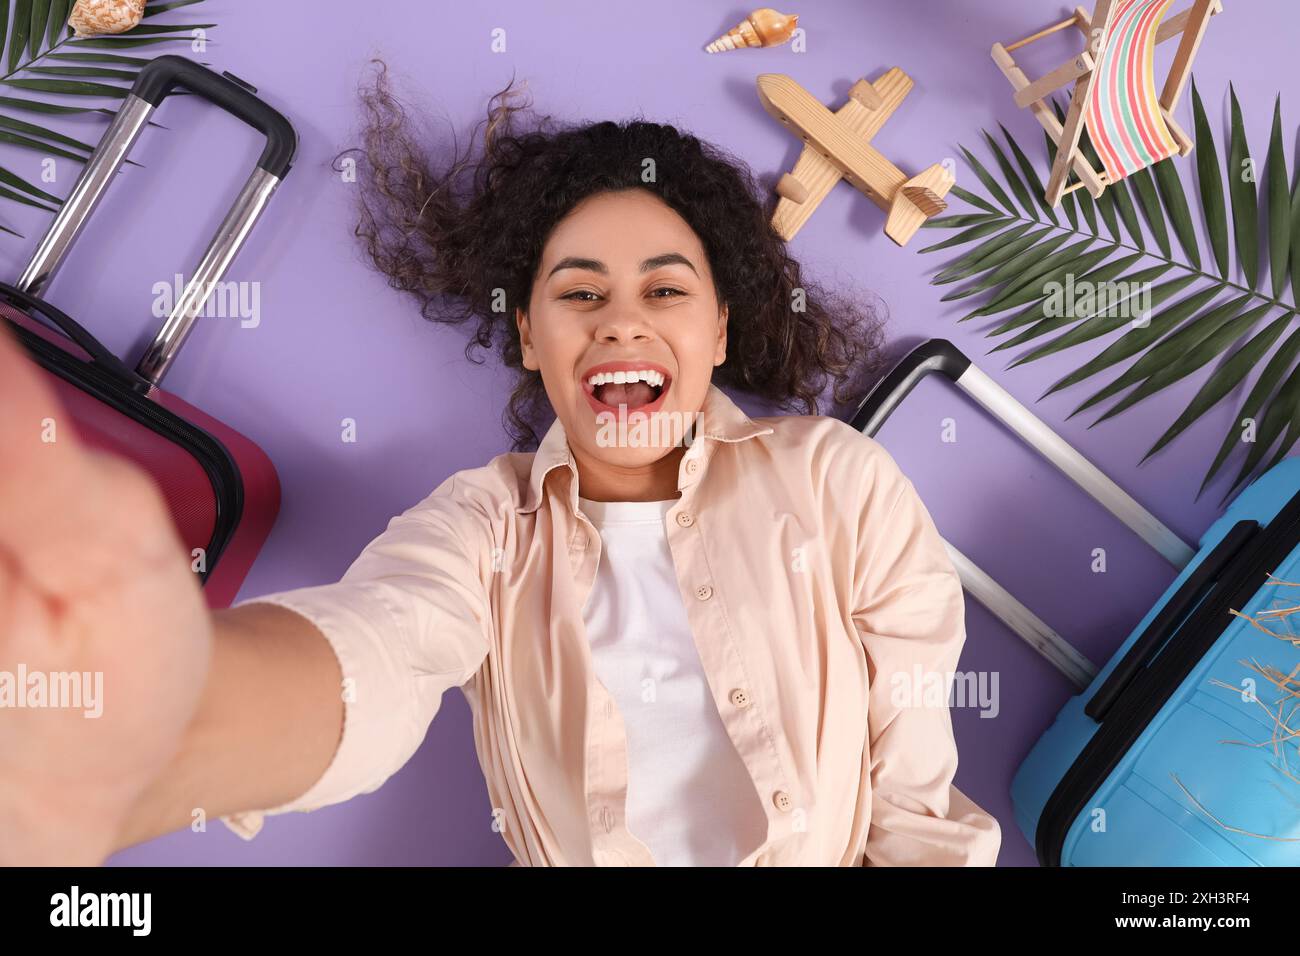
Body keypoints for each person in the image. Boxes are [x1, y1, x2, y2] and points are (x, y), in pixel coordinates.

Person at [0, 63, 1001, 866]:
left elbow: (916, 802)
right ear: (527, 332)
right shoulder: (486, 529)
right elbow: (381, 645)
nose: (620, 319)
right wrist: (155, 726)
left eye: (665, 292)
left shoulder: (838, 484)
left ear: (721, 323)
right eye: (578, 293)